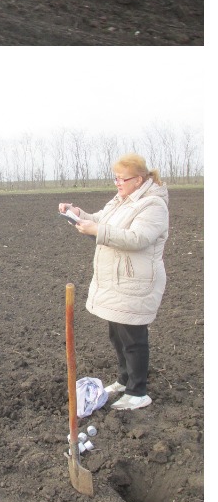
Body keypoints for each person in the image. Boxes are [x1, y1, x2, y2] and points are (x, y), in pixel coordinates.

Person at [59, 154, 169, 411]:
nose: (117, 183)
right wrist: (78, 214)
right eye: (116, 178)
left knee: (133, 337)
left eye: (122, 178)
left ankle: (138, 392)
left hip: (135, 281)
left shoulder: (153, 205)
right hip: (116, 280)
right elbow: (101, 219)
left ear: (138, 180)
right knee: (117, 334)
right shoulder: (121, 200)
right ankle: (124, 380)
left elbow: (137, 238)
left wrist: (97, 231)